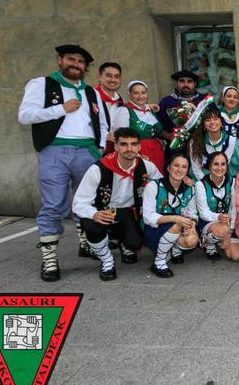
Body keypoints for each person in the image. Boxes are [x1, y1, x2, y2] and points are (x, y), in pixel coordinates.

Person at [18, 44, 109, 281]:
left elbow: (101, 124)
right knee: (54, 205)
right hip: (55, 150)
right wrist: (60, 109)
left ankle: (85, 243)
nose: (76, 65)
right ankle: (50, 259)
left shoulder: (91, 92)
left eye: (81, 62)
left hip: (87, 151)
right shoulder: (42, 84)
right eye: (71, 60)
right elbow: (25, 115)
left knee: (87, 200)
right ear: (60, 60)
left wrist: (99, 149)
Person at [72, 128, 162, 280]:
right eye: (124, 144)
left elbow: (161, 185)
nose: (129, 149)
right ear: (116, 146)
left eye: (134, 144)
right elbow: (79, 203)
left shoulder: (146, 165)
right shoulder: (98, 169)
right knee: (92, 226)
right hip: (102, 211)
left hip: (126, 212)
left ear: (139, 147)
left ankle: (125, 244)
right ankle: (107, 261)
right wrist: (94, 214)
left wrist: (182, 180)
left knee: (135, 242)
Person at [142, 153, 199, 278]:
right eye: (176, 165)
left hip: (177, 226)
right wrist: (175, 218)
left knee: (192, 240)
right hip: (153, 229)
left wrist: (193, 223)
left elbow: (192, 212)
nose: (180, 170)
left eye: (184, 167)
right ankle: (159, 262)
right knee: (177, 224)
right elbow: (148, 216)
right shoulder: (154, 186)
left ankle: (174, 250)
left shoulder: (190, 189)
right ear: (168, 168)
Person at [195, 151, 239, 262]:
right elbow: (203, 213)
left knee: (236, 256)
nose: (220, 168)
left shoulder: (232, 181)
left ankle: (222, 237)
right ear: (210, 166)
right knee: (222, 230)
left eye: (223, 164)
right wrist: (218, 217)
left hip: (228, 222)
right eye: (216, 164)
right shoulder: (200, 184)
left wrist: (230, 230)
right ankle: (208, 243)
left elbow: (234, 207)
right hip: (208, 221)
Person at [123, 80, 165, 171]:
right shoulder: (124, 111)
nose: (140, 96)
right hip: (139, 151)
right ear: (130, 94)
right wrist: (135, 154)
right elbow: (120, 136)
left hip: (157, 151)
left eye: (143, 93)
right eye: (136, 93)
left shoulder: (150, 111)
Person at [187, 106, 236, 180]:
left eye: (215, 119)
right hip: (200, 177)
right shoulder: (195, 141)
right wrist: (206, 184)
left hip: (221, 175)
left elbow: (224, 165)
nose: (212, 122)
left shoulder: (230, 140)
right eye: (208, 120)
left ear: (221, 122)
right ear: (203, 124)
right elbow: (196, 168)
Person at [157, 70, 206, 142]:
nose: (186, 84)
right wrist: (169, 136)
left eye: (190, 81)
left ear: (195, 84)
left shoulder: (204, 100)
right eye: (182, 81)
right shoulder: (166, 102)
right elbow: (158, 127)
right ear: (176, 83)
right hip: (175, 149)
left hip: (203, 146)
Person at [94, 62, 127, 139]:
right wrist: (104, 135)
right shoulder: (91, 97)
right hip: (95, 146)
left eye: (117, 76)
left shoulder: (121, 100)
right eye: (108, 76)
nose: (113, 80)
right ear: (99, 77)